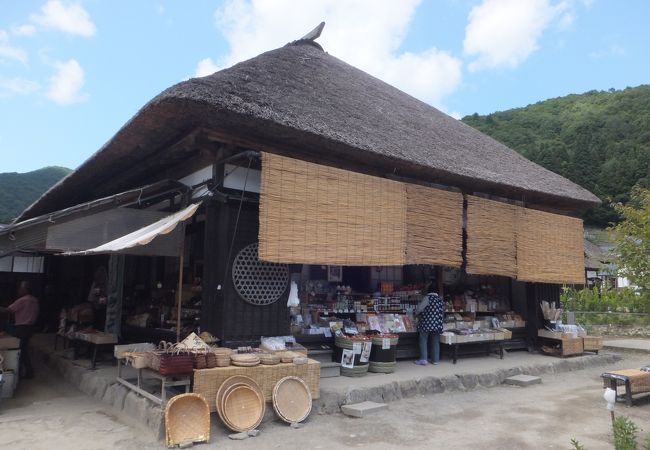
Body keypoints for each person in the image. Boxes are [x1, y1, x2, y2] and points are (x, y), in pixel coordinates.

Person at [0, 280, 40, 379]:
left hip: (22, 327)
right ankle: (26, 371)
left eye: (20, 288)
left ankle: (25, 372)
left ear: (25, 289)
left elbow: (8, 310)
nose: (19, 290)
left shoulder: (23, 300)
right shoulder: (35, 300)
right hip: (30, 328)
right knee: (24, 349)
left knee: (20, 351)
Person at [414, 282, 443, 366]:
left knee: (423, 339)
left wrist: (416, 313)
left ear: (428, 290)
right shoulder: (439, 299)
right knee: (435, 341)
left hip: (427, 323)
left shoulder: (427, 298)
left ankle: (423, 359)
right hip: (437, 324)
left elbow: (419, 309)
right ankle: (435, 360)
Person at [87, 266, 108, 331]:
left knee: (100, 323)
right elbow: (91, 296)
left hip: (102, 306)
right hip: (96, 305)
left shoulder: (106, 284)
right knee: (97, 322)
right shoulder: (95, 283)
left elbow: (108, 294)